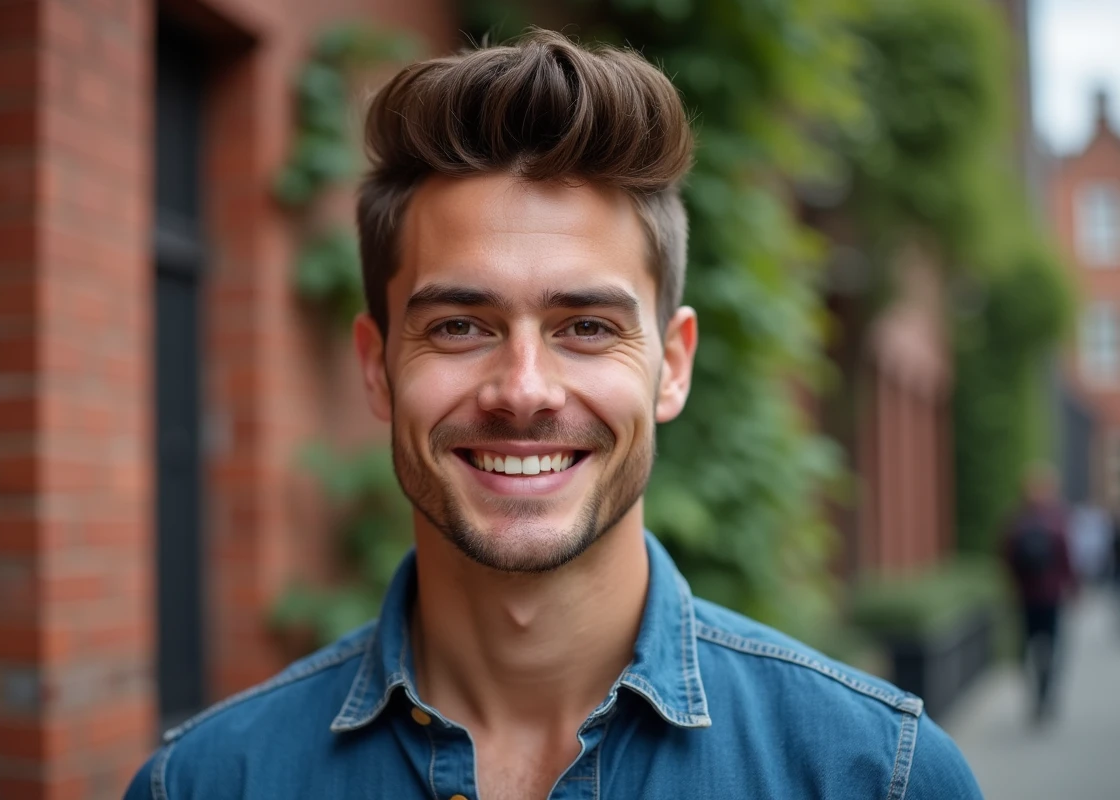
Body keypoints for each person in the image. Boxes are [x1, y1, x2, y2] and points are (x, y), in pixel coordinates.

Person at [126, 30, 981, 799]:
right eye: (460, 326)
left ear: (671, 366)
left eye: (586, 327)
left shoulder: (877, 778)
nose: (525, 389)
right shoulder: (205, 785)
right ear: (376, 369)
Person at [1001, 465, 1077, 724]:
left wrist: (1011, 587)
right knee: (1052, 648)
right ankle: (1045, 695)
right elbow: (1067, 557)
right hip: (1051, 595)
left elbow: (1006, 558)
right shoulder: (1058, 520)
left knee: (1030, 648)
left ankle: (1037, 695)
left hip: (1026, 596)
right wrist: (1073, 587)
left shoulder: (1016, 520)